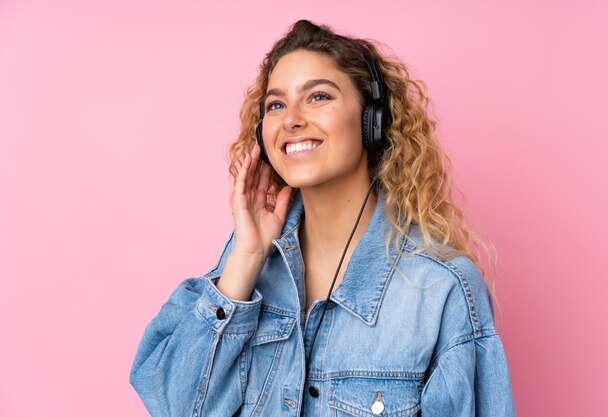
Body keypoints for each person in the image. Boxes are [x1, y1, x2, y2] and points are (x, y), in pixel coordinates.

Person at [130, 19, 516, 417]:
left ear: (373, 122)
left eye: (317, 97)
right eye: (276, 105)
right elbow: (173, 405)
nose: (291, 119)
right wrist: (245, 258)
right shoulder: (247, 266)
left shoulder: (441, 289)